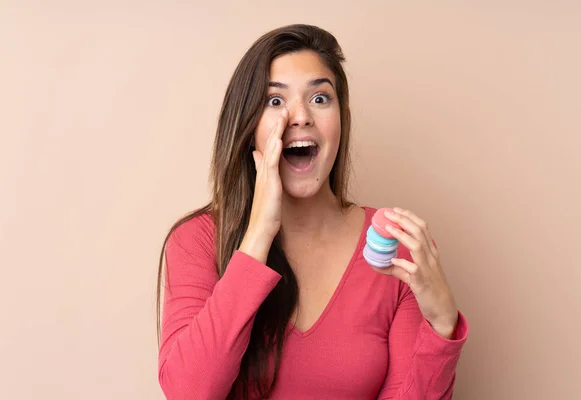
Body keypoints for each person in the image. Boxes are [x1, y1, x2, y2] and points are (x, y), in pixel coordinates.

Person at [156, 24, 468, 400]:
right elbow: (189, 392)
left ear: (341, 120)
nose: (300, 116)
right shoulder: (198, 240)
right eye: (275, 101)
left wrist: (441, 325)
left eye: (320, 98)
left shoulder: (394, 247)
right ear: (247, 126)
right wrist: (258, 235)